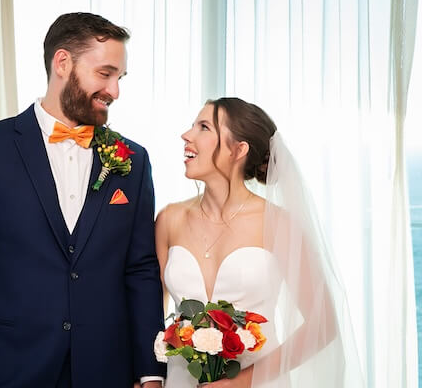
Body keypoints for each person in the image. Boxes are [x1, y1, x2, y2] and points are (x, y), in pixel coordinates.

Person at [0, 12, 165, 387]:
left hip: (106, 371)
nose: (115, 91)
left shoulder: (133, 161)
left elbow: (139, 270)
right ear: (62, 63)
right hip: (9, 369)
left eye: (119, 78)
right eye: (105, 74)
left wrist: (150, 370)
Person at [155, 98, 363, 387]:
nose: (187, 136)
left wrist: (239, 382)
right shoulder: (169, 219)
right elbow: (151, 314)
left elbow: (323, 323)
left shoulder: (279, 223)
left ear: (238, 150)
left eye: (203, 127)